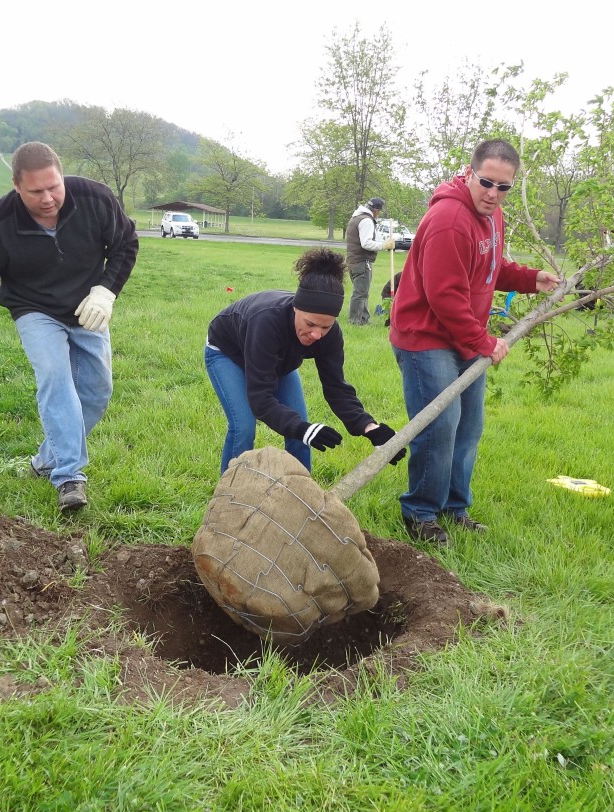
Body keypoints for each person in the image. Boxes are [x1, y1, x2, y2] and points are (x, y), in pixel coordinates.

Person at [0, 141, 139, 515]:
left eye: (54, 186)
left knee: (97, 392)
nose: (49, 198)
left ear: (61, 173)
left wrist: (106, 291)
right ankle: (70, 476)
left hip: (88, 307)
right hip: (33, 308)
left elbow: (125, 243)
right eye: (36, 191)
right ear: (17, 186)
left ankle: (44, 461)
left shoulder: (94, 198)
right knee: (55, 377)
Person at [389, 139, 560, 544]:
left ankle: (453, 507)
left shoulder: (492, 216)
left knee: (468, 427)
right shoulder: (449, 219)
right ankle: (420, 513)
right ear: (469, 173)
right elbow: (444, 296)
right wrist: (484, 340)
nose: (493, 193)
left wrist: (529, 279)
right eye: (486, 182)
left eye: (503, 187)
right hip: (425, 337)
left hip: (463, 336)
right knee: (441, 425)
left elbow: (491, 267)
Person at [205, 247, 405, 474]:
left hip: (279, 360)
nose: (317, 334)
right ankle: (228, 499)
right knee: (244, 427)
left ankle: (302, 498)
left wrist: (370, 427)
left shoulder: (331, 335)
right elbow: (260, 399)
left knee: (300, 429)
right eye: (310, 324)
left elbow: (336, 388)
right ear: (295, 309)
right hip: (227, 352)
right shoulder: (266, 321)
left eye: (325, 326)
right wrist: (301, 428)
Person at [345, 197, 395, 326]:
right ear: (376, 210)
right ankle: (355, 321)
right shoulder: (366, 220)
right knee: (360, 293)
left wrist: (384, 243)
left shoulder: (356, 217)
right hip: (361, 261)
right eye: (379, 212)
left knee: (363, 292)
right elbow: (366, 243)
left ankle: (364, 319)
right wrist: (384, 246)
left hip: (353, 260)